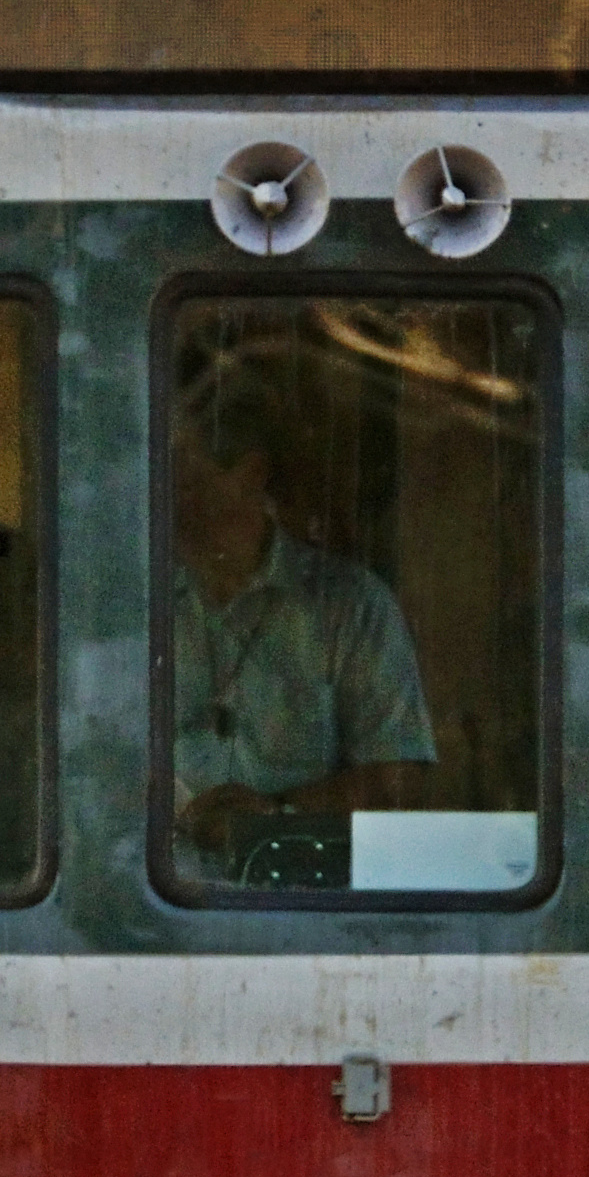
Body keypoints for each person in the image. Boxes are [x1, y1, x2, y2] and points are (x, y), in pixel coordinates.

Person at [170, 365, 433, 875]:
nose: (163, 482)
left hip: (303, 915)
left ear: (249, 472)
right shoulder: (129, 608)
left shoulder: (351, 607)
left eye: (182, 462)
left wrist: (277, 817)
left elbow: (400, 779)